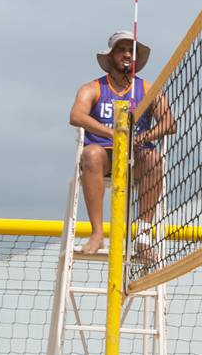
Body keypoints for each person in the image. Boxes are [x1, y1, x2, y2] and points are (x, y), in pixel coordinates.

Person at [69, 32, 175, 258]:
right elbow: (76, 116)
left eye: (132, 51)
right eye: (122, 49)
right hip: (106, 156)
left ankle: (144, 236)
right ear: (111, 56)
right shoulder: (93, 88)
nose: (127, 54)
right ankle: (97, 232)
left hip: (137, 157)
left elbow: (170, 123)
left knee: (155, 159)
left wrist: (144, 137)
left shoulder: (147, 89)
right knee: (91, 153)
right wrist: (114, 133)